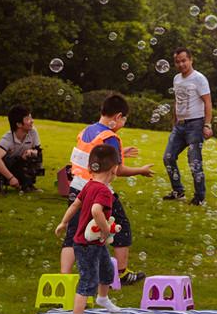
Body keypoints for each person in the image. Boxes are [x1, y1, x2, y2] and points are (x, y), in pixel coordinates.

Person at [59, 93, 153, 285]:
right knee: (121, 226)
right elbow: (117, 170)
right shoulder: (111, 137)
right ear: (118, 116)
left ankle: (64, 278)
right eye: (124, 119)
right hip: (97, 191)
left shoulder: (88, 130)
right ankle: (123, 273)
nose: (123, 123)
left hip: (77, 187)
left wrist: (120, 153)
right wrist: (140, 171)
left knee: (73, 233)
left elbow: (93, 156)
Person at [55, 144, 124, 314]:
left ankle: (102, 298)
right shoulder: (104, 191)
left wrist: (64, 222)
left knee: (107, 270)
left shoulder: (88, 185)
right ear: (114, 170)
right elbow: (96, 211)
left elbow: (75, 205)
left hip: (94, 242)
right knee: (88, 280)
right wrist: (106, 229)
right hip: (87, 245)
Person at [162, 47, 213, 205]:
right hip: (180, 125)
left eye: (184, 60)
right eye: (177, 62)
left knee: (194, 161)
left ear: (191, 60)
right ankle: (178, 191)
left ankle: (200, 197)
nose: (181, 64)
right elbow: (178, 101)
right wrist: (174, 121)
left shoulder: (199, 79)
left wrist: (207, 124)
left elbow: (207, 102)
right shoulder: (177, 79)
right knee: (168, 157)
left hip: (196, 124)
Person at [0, 105, 44, 192]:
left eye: (31, 117)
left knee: (34, 156)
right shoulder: (8, 138)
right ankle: (0, 184)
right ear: (19, 124)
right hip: (8, 168)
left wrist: (32, 152)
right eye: (28, 119)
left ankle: (28, 185)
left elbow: (38, 151)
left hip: (20, 164)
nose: (32, 121)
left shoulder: (33, 131)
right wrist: (11, 178)